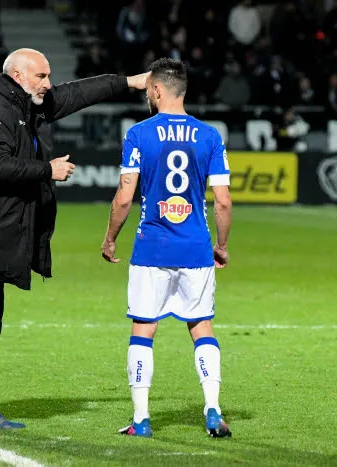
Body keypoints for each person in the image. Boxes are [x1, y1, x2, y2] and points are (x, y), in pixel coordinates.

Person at [0, 48, 149, 434]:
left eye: (48, 76)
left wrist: (128, 82)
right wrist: (48, 169)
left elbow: (75, 94)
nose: (48, 83)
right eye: (41, 76)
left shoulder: (27, 104)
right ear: (18, 76)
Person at [100, 58, 233, 438]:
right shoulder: (209, 136)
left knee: (144, 329)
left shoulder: (139, 134)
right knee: (201, 326)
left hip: (152, 250)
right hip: (195, 248)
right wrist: (221, 246)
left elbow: (125, 196)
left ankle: (141, 419)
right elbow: (222, 201)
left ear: (156, 90)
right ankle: (212, 409)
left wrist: (110, 237)